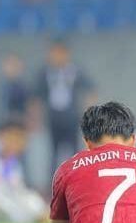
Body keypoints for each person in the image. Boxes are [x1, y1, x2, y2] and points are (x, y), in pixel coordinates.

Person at [32, 38, 96, 182]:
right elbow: (36, 97)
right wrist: (35, 118)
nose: (57, 57)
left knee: (74, 152)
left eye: (60, 53)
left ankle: (76, 180)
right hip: (53, 118)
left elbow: (90, 89)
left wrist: (89, 113)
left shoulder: (75, 71)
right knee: (53, 154)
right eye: (54, 53)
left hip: (71, 117)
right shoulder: (44, 73)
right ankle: (53, 183)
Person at [0, 53, 30, 124]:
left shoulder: (24, 88)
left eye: (14, 65)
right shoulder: (1, 87)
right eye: (9, 65)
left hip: (19, 123)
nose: (11, 69)